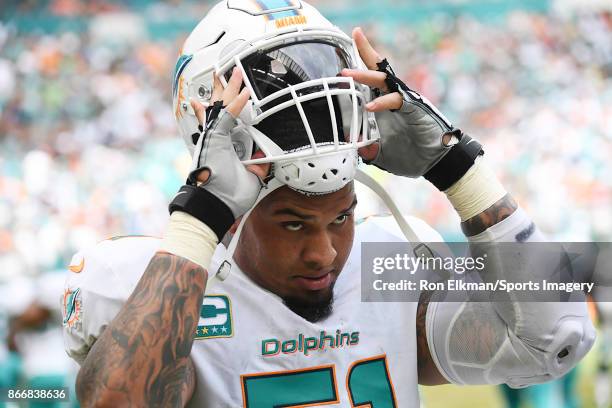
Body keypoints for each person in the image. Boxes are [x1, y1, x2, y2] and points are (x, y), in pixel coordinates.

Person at [62, 1, 596, 406]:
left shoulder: (386, 270)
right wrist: (197, 220)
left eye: (342, 217)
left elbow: (555, 340)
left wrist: (461, 170)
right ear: (234, 212)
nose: (324, 254)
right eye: (293, 224)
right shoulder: (166, 291)